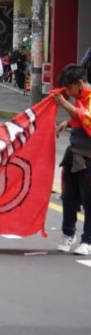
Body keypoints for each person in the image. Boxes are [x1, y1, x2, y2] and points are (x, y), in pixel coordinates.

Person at [53, 64, 91, 254]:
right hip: (75, 154)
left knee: (89, 199)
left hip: (89, 158)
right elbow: (79, 120)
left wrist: (65, 105)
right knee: (69, 198)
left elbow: (89, 120)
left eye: (69, 88)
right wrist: (67, 124)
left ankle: (89, 240)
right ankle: (68, 233)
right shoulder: (79, 98)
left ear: (79, 83)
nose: (68, 92)